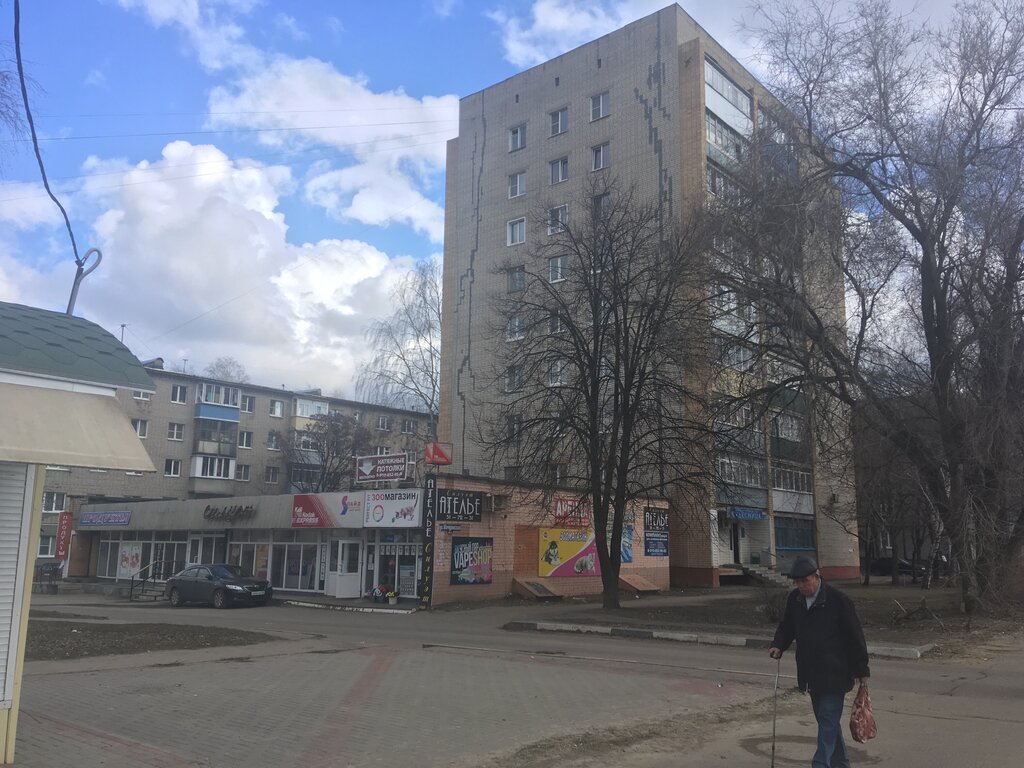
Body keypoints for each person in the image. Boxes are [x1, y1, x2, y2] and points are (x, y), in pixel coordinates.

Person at [769, 556, 870, 768]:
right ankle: (842, 764)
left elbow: (855, 636)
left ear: (817, 577)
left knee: (827, 721)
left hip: (835, 673)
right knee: (828, 724)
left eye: (805, 581)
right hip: (810, 674)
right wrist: (779, 644)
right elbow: (788, 625)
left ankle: (820, 764)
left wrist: (862, 669)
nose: (801, 586)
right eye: (797, 582)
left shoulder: (838, 600)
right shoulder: (795, 600)